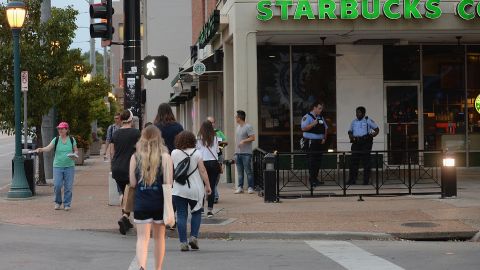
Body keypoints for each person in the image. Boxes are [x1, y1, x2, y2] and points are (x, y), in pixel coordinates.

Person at [129, 125, 173, 270]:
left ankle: (142, 266)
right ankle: (158, 268)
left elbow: (133, 183)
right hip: (159, 204)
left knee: (142, 239)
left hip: (141, 203)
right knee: (159, 238)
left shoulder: (135, 157)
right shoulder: (166, 157)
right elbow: (168, 183)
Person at [171, 131, 212, 251]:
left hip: (179, 189)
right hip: (195, 189)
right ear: (192, 141)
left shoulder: (174, 153)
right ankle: (194, 237)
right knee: (196, 212)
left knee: (181, 215)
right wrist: (208, 186)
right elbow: (203, 171)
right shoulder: (197, 153)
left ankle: (183, 242)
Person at [35, 122, 78, 211]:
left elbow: (76, 150)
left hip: (69, 166)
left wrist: (74, 155)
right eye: (59, 129)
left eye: (62, 129)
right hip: (58, 166)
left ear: (66, 130)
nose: (60, 130)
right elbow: (49, 148)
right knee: (57, 185)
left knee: (68, 187)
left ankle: (67, 204)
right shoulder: (56, 139)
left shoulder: (71, 139)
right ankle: (58, 202)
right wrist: (41, 149)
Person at [111, 109, 141, 234]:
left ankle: (126, 218)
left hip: (117, 167)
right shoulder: (136, 133)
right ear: (131, 119)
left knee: (124, 192)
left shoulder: (116, 134)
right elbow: (139, 151)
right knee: (132, 193)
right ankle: (125, 217)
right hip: (130, 168)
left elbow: (112, 152)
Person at [348, 106, 380, 185]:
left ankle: (366, 180)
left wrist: (372, 135)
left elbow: (377, 129)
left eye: (359, 112)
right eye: (356, 112)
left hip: (365, 143)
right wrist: (351, 136)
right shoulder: (353, 122)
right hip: (356, 143)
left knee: (366, 162)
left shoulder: (368, 120)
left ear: (363, 113)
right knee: (353, 162)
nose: (357, 114)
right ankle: (352, 180)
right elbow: (350, 131)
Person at [301, 101, 328, 187]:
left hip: (319, 143)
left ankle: (315, 179)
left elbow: (326, 128)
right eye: (319, 108)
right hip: (310, 142)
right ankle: (312, 180)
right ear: (314, 108)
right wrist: (313, 123)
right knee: (312, 162)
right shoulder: (307, 117)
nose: (321, 110)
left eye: (321, 109)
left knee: (318, 162)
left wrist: (324, 138)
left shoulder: (320, 117)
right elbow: (303, 128)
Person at [197, 121, 220, 218]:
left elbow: (197, 151)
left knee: (201, 186)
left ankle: (201, 208)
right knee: (211, 186)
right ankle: (210, 210)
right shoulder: (215, 138)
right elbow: (217, 151)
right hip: (214, 163)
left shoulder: (198, 139)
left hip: (203, 163)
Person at [234, 110, 256, 194]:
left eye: (236, 117)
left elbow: (253, 138)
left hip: (246, 153)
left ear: (240, 118)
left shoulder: (248, 126)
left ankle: (250, 187)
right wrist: (235, 152)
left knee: (248, 171)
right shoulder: (238, 127)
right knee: (240, 172)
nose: (235, 118)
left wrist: (244, 141)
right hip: (238, 153)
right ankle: (240, 187)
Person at [207, 116, 227, 203]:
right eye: (209, 122)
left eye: (212, 122)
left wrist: (218, 147)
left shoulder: (218, 132)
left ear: (214, 123)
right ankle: (214, 195)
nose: (211, 124)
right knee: (212, 177)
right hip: (207, 157)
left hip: (218, 156)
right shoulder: (203, 133)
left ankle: (212, 193)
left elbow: (225, 142)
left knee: (216, 177)